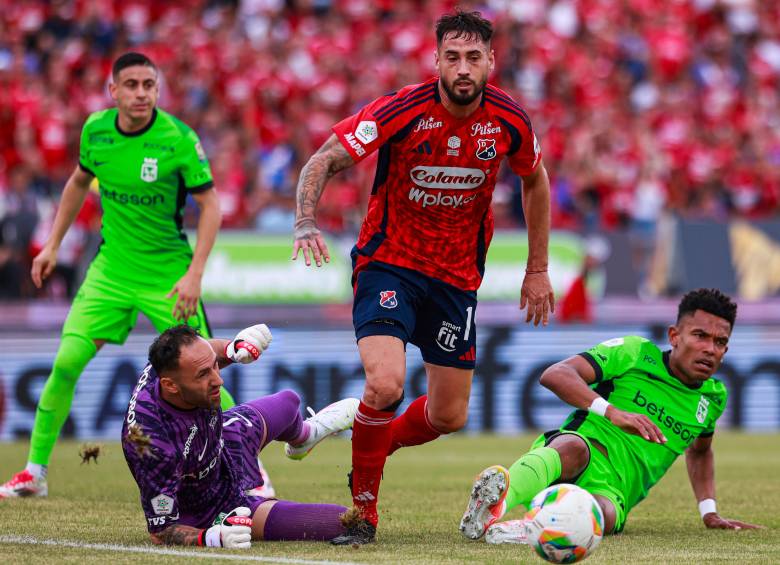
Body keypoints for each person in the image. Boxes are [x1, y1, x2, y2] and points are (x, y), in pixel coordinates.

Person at [291, 10, 555, 544]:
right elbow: (324, 159)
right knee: (386, 384)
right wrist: (304, 220)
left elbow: (536, 181)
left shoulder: (510, 120)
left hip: (457, 281)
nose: (463, 68)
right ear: (436, 59)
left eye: (473, 58)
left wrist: (538, 268)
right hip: (389, 264)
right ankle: (363, 511)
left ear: (490, 62)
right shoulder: (401, 108)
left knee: (449, 415)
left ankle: (373, 442)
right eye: (452, 57)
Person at [0, 52, 274, 498]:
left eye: (149, 84)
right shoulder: (96, 131)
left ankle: (251, 475)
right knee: (65, 363)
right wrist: (51, 244)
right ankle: (35, 472)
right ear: (114, 91)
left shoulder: (177, 139)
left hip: (168, 274)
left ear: (158, 90)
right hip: (110, 271)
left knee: (206, 378)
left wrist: (194, 275)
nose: (141, 92)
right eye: (131, 84)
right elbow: (75, 183)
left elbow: (211, 206)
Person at [459, 288, 764, 544]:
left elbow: (700, 453)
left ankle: (524, 530)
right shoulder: (634, 353)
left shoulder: (712, 398)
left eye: (720, 342)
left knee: (599, 516)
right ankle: (496, 505)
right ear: (674, 336)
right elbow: (555, 374)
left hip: (614, 491)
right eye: (700, 335)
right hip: (580, 453)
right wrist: (613, 412)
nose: (710, 349)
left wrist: (709, 511)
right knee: (574, 448)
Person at [122, 323, 359, 547]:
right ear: (171, 386)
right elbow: (161, 531)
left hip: (225, 443)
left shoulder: (167, 363)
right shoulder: (152, 445)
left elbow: (204, 354)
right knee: (345, 523)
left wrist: (231, 349)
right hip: (211, 509)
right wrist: (209, 538)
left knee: (287, 402)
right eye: (203, 375)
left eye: (214, 366)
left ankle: (305, 436)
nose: (218, 379)